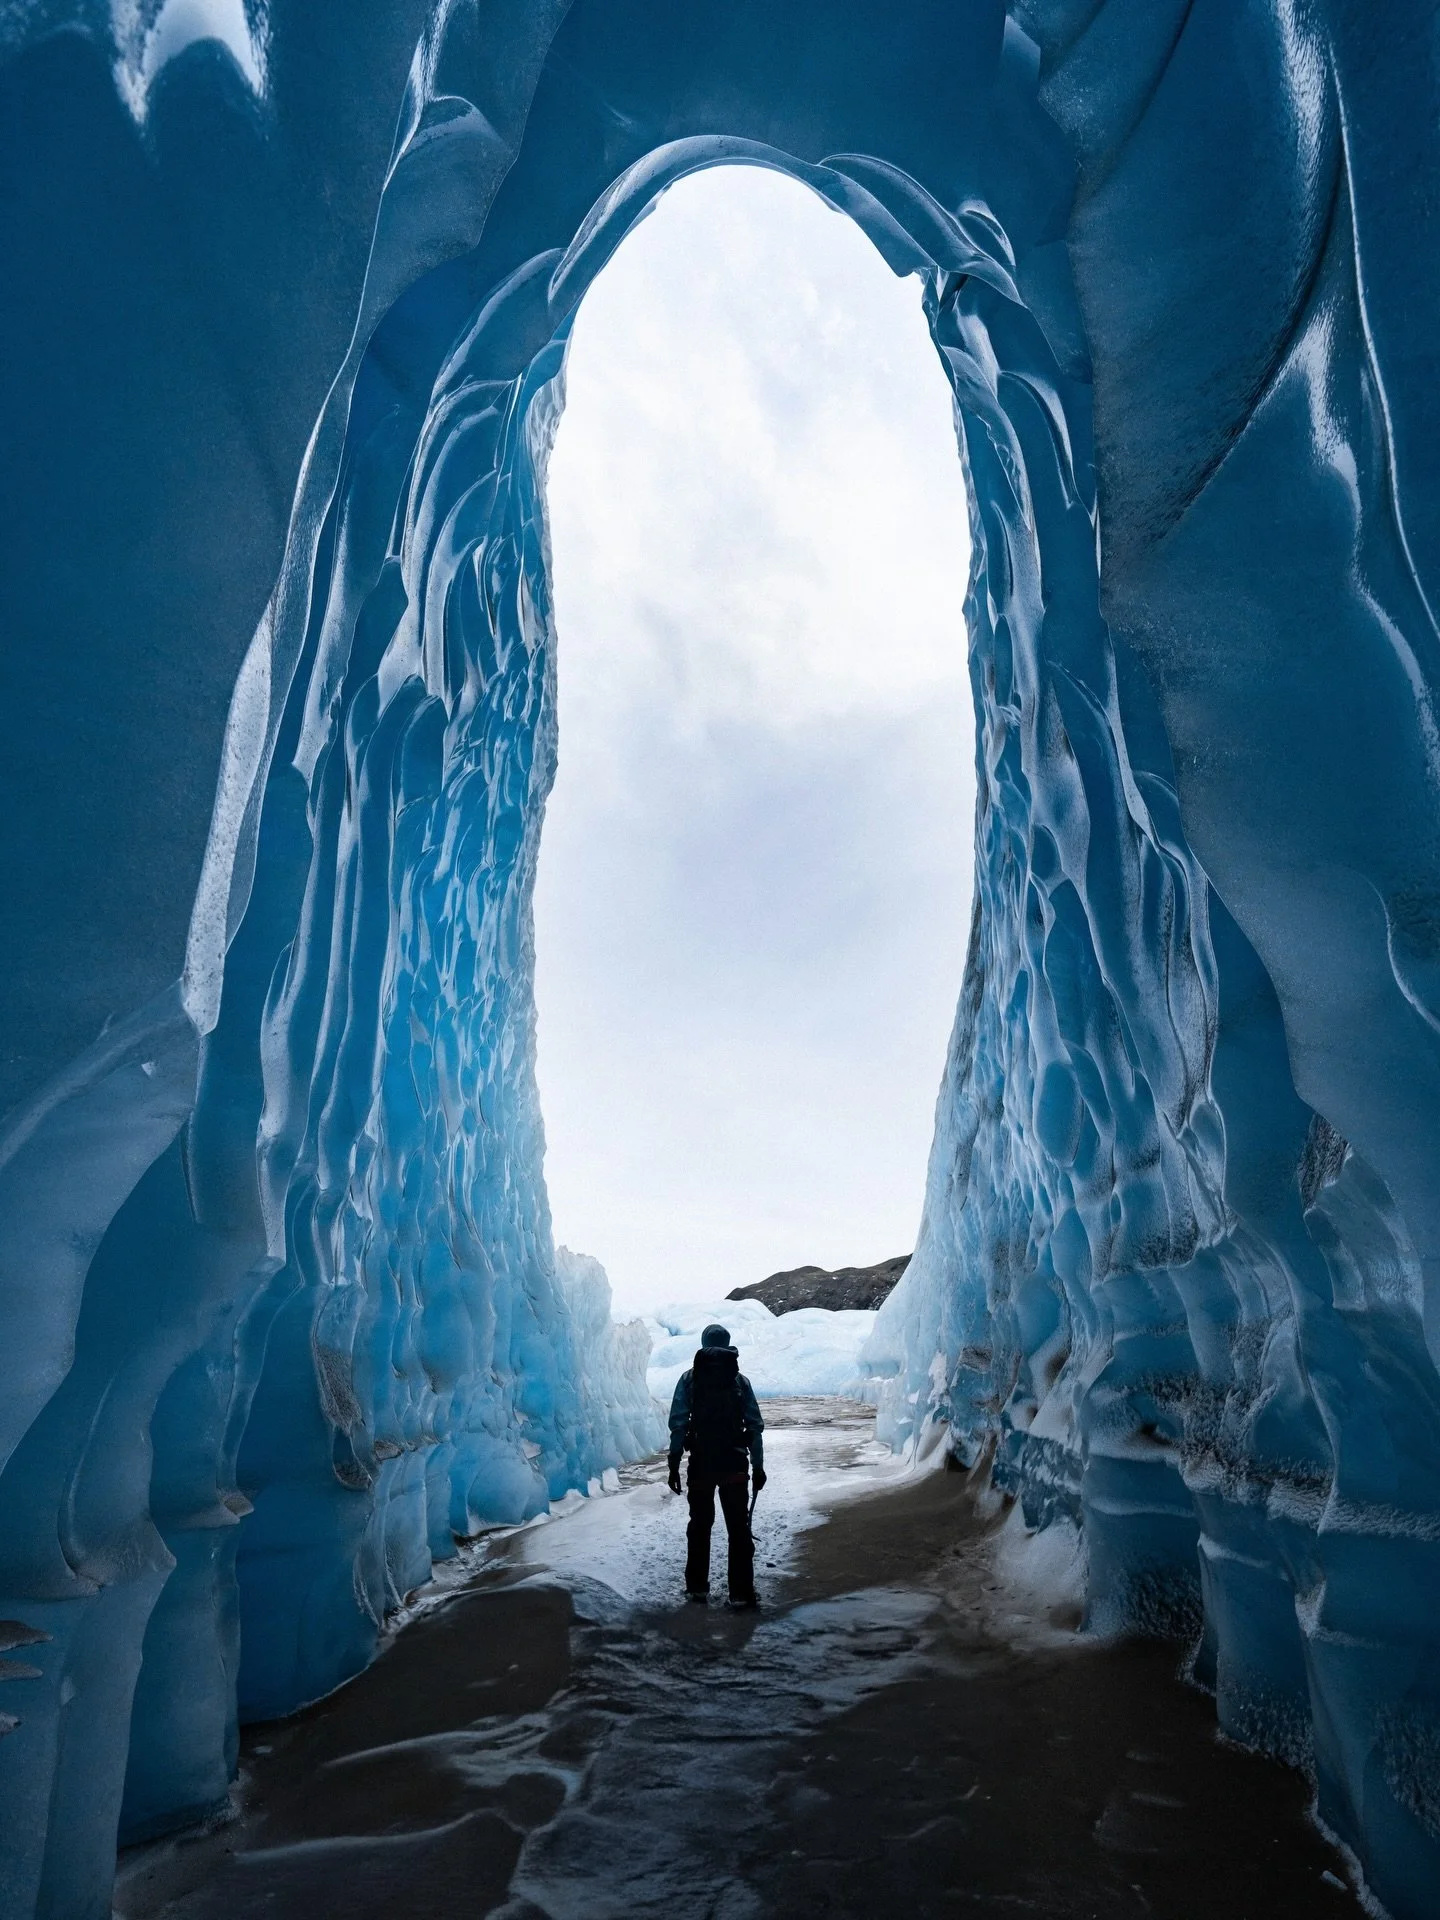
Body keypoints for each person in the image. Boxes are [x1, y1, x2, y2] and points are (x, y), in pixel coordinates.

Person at [666, 1323, 767, 1607]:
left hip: (701, 1463)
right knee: (737, 1527)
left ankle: (697, 1588)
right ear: (728, 1343)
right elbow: (755, 1426)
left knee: (700, 1525)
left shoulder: (689, 1379)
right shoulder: (739, 1381)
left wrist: (673, 1463)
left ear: (703, 1343)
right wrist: (758, 1466)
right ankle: (741, 1593)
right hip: (734, 1463)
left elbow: (678, 1424)